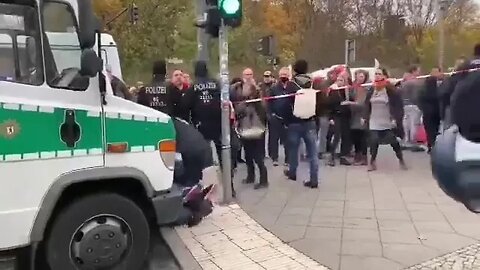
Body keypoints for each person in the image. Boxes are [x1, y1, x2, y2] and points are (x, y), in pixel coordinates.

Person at [188, 60, 238, 196]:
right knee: (224, 157)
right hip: (219, 124)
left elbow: (186, 105)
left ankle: (207, 189)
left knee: (205, 159)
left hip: (201, 126)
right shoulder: (217, 84)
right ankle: (229, 187)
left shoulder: (193, 87)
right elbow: (229, 97)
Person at [283, 59, 320, 188]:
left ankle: (292, 172)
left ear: (295, 69)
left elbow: (286, 103)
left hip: (294, 122)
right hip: (310, 121)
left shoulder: (291, 84)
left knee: (293, 149)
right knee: (312, 152)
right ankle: (314, 179)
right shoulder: (312, 83)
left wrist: (286, 121)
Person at [364, 68, 407, 171]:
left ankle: (401, 159)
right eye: (376, 74)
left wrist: (395, 119)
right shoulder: (372, 89)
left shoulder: (389, 89)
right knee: (373, 141)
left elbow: (397, 105)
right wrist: (364, 117)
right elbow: (366, 104)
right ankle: (372, 162)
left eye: (379, 74)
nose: (377, 76)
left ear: (384, 76)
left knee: (393, 141)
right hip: (374, 119)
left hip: (387, 120)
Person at [231, 75, 269, 190]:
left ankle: (264, 180)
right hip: (246, 130)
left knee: (257, 157)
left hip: (256, 130)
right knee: (248, 155)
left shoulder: (257, 102)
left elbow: (262, 115)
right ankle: (250, 176)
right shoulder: (244, 101)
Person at [267, 67, 291, 167]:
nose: (283, 77)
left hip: (288, 117)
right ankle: (274, 158)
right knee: (274, 139)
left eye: (285, 75)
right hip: (275, 116)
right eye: (282, 75)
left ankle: (288, 159)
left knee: (288, 139)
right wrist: (270, 114)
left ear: (289, 76)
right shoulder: (274, 88)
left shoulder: (292, 87)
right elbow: (269, 102)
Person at [326, 75, 352, 166]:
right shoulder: (333, 91)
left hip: (346, 116)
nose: (339, 82)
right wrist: (330, 117)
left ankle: (343, 156)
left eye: (341, 80)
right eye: (338, 80)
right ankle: (331, 156)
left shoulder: (347, 90)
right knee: (336, 136)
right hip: (336, 115)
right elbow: (329, 105)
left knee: (346, 137)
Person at [400, 65, 424, 152]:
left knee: (406, 122)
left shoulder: (404, 81)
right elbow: (416, 95)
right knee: (414, 123)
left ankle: (406, 139)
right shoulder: (414, 82)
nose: (419, 73)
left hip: (405, 104)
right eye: (418, 71)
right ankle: (413, 141)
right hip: (414, 104)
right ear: (413, 71)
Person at [347, 69, 369, 165]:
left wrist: (350, 103)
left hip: (362, 114)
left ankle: (364, 157)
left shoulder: (365, 88)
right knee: (355, 135)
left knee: (362, 136)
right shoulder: (354, 87)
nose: (360, 78)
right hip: (354, 114)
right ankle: (357, 155)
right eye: (358, 76)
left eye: (362, 76)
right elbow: (351, 96)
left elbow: (363, 103)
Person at [419, 67, 443, 153]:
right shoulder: (439, 89)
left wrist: (422, 108)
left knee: (430, 131)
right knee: (435, 130)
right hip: (436, 112)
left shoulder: (424, 89)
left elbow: (419, 98)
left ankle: (431, 146)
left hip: (428, 113)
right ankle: (434, 146)